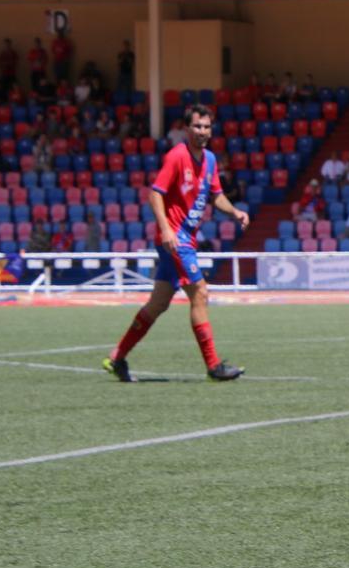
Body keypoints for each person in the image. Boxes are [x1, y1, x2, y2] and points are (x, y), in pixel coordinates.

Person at [101, 105, 249, 383]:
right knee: (200, 293)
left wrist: (235, 212)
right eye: (197, 126)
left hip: (184, 239)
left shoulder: (211, 161)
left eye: (206, 126)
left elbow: (216, 196)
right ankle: (214, 366)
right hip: (175, 239)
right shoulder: (177, 156)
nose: (202, 131)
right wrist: (167, 229)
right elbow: (155, 194)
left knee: (158, 304)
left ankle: (117, 358)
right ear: (186, 128)